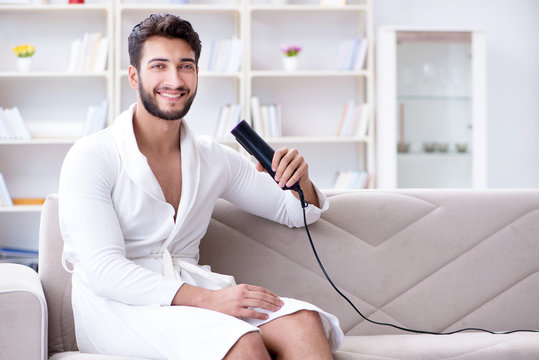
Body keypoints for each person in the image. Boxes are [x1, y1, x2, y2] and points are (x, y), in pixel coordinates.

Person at [58, 13, 343, 360]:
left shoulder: (213, 158)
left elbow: (296, 213)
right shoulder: (91, 156)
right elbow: (104, 271)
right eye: (159, 66)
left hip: (196, 300)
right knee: (240, 341)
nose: (174, 80)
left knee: (304, 321)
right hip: (118, 309)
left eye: (186, 66)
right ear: (134, 76)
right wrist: (211, 300)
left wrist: (301, 180)